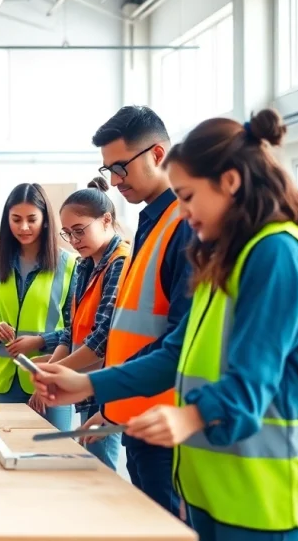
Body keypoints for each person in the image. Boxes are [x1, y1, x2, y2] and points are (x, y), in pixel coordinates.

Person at [33, 109, 298, 541]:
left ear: (230, 183)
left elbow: (253, 383)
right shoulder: (233, 258)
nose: (182, 211)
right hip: (216, 484)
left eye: (188, 196)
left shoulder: (279, 255)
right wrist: (89, 386)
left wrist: (191, 414)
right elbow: (176, 351)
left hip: (269, 499)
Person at [90, 105, 193, 515]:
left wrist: (99, 388)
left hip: (165, 421)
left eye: (120, 167)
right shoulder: (151, 221)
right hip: (137, 414)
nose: (114, 182)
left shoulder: (184, 225)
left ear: (156, 155)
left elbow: (180, 340)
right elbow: (134, 331)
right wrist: (111, 407)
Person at [41, 176, 130, 470]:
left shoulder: (120, 262)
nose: (74, 240)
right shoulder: (85, 265)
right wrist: (54, 366)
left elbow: (103, 337)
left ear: (106, 220)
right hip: (85, 383)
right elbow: (73, 329)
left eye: (79, 231)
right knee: (90, 466)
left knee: (101, 470)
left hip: (104, 384)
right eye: (67, 233)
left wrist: (58, 373)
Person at [0, 183, 76, 430]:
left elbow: (77, 329)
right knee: (9, 455)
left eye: (31, 219)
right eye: (16, 219)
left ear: (44, 220)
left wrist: (40, 341)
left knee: (54, 457)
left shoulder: (70, 266)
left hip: (52, 379)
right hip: (7, 382)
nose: (23, 227)